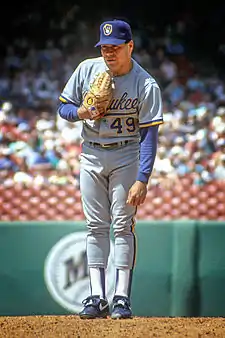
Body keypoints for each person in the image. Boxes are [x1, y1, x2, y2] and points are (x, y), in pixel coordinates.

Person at [58, 19, 163, 319]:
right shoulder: (86, 70)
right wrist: (81, 111)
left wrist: (143, 178)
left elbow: (149, 135)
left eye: (115, 47)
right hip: (90, 154)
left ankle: (121, 298)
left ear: (130, 46)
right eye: (104, 47)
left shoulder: (145, 84)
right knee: (95, 227)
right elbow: (63, 107)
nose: (109, 53)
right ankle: (95, 296)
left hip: (126, 154)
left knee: (122, 225)